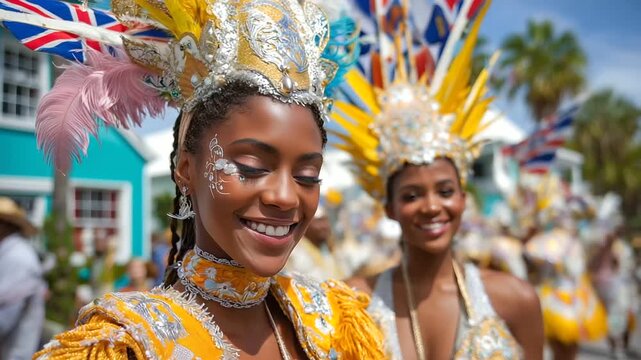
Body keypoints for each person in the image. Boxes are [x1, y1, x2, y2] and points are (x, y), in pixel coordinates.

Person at [1, 0, 386, 358]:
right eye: (251, 167)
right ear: (186, 170)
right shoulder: (129, 343)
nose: (285, 196)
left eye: (307, 175)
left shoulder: (335, 323)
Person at [330, 1, 544, 358]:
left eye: (445, 191)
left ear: (463, 198)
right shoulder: (354, 301)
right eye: (412, 195)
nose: (432, 206)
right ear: (390, 208)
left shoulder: (514, 299)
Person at [0, 197, 46, 360]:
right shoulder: (9, 254)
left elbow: (5, 318)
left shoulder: (18, 258)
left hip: (15, 352)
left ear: (4, 225)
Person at [285, 205, 346, 280]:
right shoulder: (296, 253)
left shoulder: (330, 249)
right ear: (305, 226)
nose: (325, 226)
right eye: (319, 221)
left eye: (325, 220)